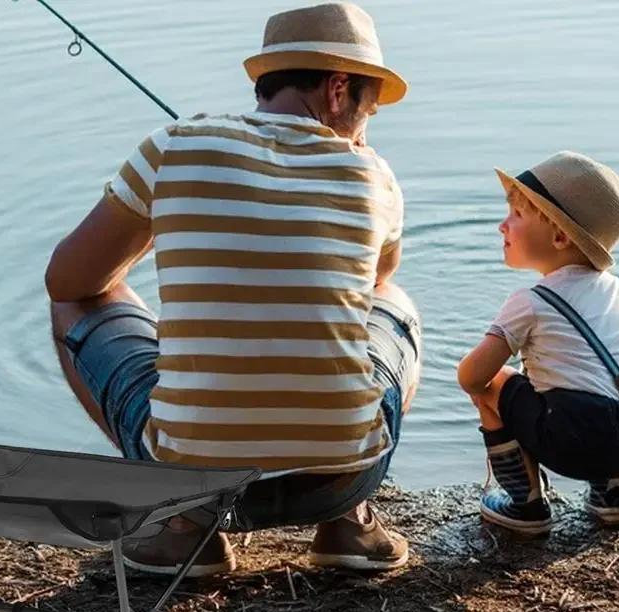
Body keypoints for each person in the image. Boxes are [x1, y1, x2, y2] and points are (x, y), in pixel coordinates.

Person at [45, 2, 421, 575]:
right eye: (369, 108)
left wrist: (167, 225)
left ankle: (183, 526)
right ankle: (348, 524)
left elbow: (67, 281)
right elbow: (375, 283)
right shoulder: (375, 175)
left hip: (197, 479)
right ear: (339, 88)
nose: (366, 127)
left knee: (78, 302)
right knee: (397, 308)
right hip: (339, 477)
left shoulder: (172, 146)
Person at [458, 151, 619, 536]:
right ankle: (614, 494)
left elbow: (471, 375)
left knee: (494, 382)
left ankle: (525, 504)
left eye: (515, 214)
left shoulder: (529, 302)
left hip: (573, 443)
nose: (502, 225)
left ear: (560, 236)